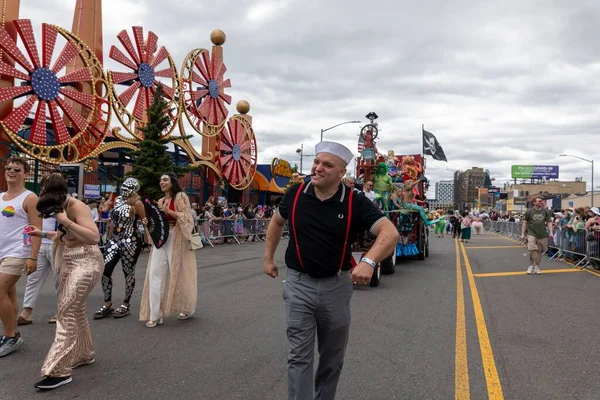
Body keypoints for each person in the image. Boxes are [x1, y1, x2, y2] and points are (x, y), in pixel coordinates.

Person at [263, 141, 399, 400]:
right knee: (299, 356)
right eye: (317, 162)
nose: (318, 168)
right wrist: (268, 258)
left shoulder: (354, 202)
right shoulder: (295, 193)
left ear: (341, 173)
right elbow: (276, 222)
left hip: (336, 287)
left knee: (332, 357)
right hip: (298, 285)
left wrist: (368, 262)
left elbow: (389, 233)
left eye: (327, 165)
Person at [32, 172, 103, 390]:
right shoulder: (57, 206)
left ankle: (59, 371)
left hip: (87, 261)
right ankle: (84, 353)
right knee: (77, 309)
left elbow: (93, 237)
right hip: (69, 263)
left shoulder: (76, 206)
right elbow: (64, 236)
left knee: (65, 310)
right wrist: (40, 233)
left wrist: (64, 220)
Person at [139, 172, 197, 327]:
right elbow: (157, 221)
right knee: (154, 274)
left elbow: (187, 218)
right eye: (160, 180)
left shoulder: (181, 197)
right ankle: (155, 314)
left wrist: (169, 212)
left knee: (179, 273)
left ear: (172, 182)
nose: (161, 182)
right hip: (161, 239)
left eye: (165, 180)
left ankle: (186, 307)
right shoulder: (160, 200)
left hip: (176, 237)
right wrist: (147, 222)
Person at [0, 156, 41, 357]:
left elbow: (36, 229)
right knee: (8, 294)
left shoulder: (30, 198)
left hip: (17, 253)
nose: (11, 172)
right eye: (8, 168)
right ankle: (13, 332)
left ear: (25, 174)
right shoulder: (0, 197)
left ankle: (10, 337)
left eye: (16, 169)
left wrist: (32, 257)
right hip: (1, 252)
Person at [19, 170, 66, 326]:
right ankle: (26, 312)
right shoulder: (38, 202)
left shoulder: (66, 202)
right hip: (40, 245)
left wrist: (44, 233)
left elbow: (66, 230)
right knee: (33, 278)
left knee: (59, 280)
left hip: (57, 244)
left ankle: (62, 312)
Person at [94, 178, 146, 319]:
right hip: (115, 240)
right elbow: (112, 222)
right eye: (123, 187)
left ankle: (126, 303)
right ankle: (108, 304)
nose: (124, 190)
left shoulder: (137, 203)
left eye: (128, 187)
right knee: (105, 270)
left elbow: (145, 222)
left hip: (131, 241)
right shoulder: (117, 201)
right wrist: (109, 238)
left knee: (128, 272)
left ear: (134, 190)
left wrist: (149, 242)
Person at [521, 197, 553, 275]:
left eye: (542, 201)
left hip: (542, 234)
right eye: (539, 201)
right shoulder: (529, 211)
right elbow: (525, 222)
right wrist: (522, 234)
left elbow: (549, 222)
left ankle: (536, 266)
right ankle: (531, 266)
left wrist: (551, 232)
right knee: (532, 250)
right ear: (534, 203)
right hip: (531, 233)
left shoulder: (545, 211)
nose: (541, 202)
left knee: (539, 251)